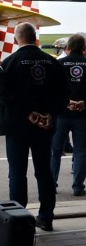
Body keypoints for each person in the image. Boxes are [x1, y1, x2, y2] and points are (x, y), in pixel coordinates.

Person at [0, 22, 70, 232]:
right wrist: (49, 114)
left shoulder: (8, 63)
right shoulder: (52, 63)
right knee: (44, 171)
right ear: (35, 38)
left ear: (17, 39)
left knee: (17, 173)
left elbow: (4, 94)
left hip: (17, 127)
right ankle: (46, 217)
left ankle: (18, 219)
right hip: (44, 128)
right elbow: (64, 94)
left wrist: (29, 113)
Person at [51, 33, 86, 197]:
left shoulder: (59, 64)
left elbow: (51, 90)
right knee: (81, 151)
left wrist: (65, 102)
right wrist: (83, 103)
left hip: (61, 114)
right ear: (84, 48)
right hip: (83, 115)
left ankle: (51, 184)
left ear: (68, 47)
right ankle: (78, 187)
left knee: (55, 151)